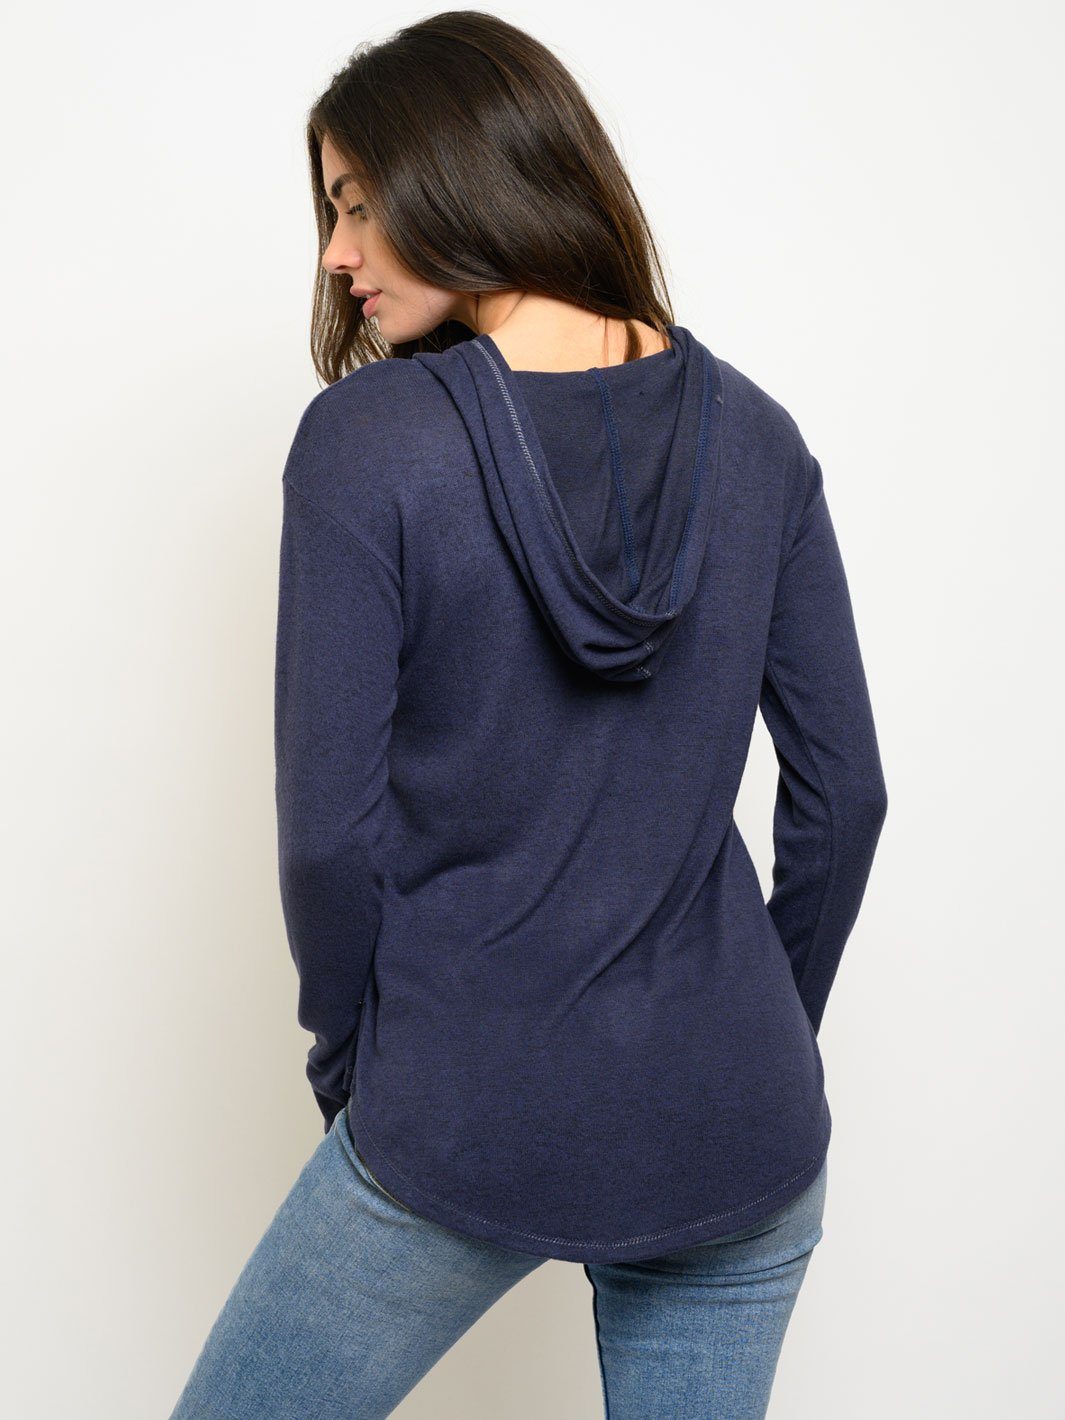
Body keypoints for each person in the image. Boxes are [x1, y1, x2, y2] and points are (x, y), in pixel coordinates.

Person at [170, 11, 887, 1418]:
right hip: (739, 1117)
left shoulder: (369, 444)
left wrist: (356, 1071)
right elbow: (846, 794)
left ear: (466, 177)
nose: (337, 253)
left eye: (359, 203)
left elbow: (326, 837)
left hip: (466, 1104)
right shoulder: (761, 437)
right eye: (332, 211)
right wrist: (754, 1031)